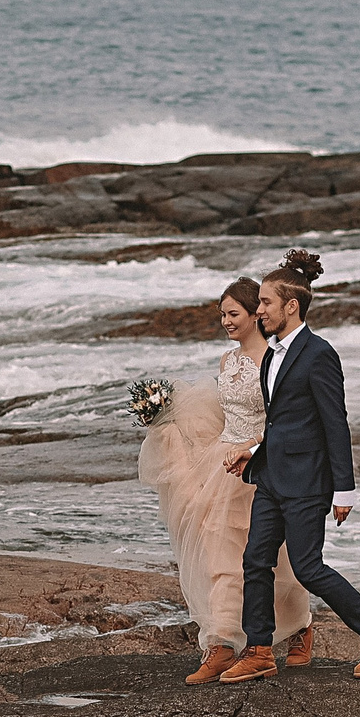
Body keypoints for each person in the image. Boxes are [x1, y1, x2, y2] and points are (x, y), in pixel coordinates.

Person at [219, 250, 360, 682]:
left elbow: (334, 424)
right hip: (271, 476)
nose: (258, 310)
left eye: (264, 303)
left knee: (307, 566)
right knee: (255, 559)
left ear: (291, 307)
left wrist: (344, 490)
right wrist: (255, 450)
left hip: (307, 482)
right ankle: (260, 650)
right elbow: (282, 420)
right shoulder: (271, 355)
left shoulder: (319, 354)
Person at [138, 277, 315, 682]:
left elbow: (284, 423)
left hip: (262, 463)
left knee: (278, 559)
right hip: (223, 463)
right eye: (222, 314)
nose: (226, 322)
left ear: (258, 313)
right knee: (221, 555)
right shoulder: (227, 361)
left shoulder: (277, 359)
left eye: (233, 314)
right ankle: (219, 644)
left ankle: (301, 627)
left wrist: (252, 448)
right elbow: (219, 414)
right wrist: (167, 417)